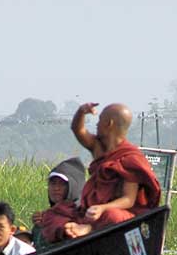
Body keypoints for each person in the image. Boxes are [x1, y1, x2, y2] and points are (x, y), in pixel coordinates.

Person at [42, 102, 161, 242]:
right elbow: (78, 130)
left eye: (99, 121)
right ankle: (70, 230)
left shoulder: (130, 157)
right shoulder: (98, 147)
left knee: (113, 216)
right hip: (89, 212)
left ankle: (88, 229)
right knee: (53, 214)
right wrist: (81, 112)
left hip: (110, 213)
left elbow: (128, 199)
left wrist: (103, 208)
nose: (97, 125)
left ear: (109, 123)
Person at [32, 157, 86, 250]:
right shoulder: (44, 218)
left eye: (62, 184)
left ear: (73, 186)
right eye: (53, 183)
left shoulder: (83, 215)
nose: (56, 188)